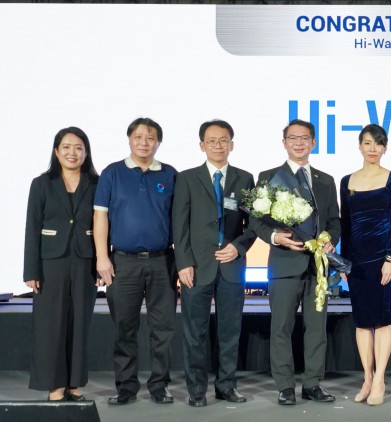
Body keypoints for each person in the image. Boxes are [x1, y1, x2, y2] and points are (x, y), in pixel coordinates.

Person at [249, 119, 341, 405]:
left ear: (313, 143)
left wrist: (329, 239)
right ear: (284, 142)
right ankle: (285, 387)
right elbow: (256, 221)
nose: (299, 143)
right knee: (281, 328)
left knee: (316, 329)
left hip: (317, 267)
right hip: (284, 264)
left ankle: (313, 384)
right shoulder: (269, 177)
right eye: (293, 138)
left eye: (304, 138)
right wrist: (275, 237)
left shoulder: (326, 180)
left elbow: (335, 220)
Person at [93, 117, 179, 405]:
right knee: (124, 328)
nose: (144, 143)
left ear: (158, 142)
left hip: (162, 261)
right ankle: (126, 387)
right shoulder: (112, 173)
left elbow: (179, 221)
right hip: (122, 262)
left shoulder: (169, 174)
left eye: (150, 138)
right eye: (139, 137)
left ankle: (160, 386)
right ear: (129, 139)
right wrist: (102, 257)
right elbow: (100, 216)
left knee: (163, 329)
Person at [172, 120, 256, 407]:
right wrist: (183, 262)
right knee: (194, 332)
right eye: (212, 141)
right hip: (195, 267)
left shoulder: (245, 179)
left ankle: (226, 386)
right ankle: (196, 390)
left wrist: (238, 247)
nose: (218, 146)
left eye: (223, 140)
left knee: (229, 331)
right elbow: (179, 225)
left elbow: (253, 224)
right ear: (202, 145)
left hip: (232, 266)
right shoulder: (187, 179)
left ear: (232, 144)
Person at [23, 127, 100, 401]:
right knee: (50, 326)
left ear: (86, 152)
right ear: (56, 152)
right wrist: (31, 270)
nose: (72, 152)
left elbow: (104, 225)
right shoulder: (42, 183)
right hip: (50, 263)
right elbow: (32, 227)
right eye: (66, 147)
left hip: (85, 261)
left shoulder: (97, 183)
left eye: (78, 147)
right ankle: (54, 386)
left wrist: (101, 264)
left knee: (79, 324)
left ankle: (74, 384)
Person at [339, 124, 391, 406]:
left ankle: (380, 381)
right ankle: (367, 378)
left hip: (383, 259)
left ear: (385, 147)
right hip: (357, 262)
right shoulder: (347, 181)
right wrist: (343, 262)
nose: (373, 148)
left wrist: (390, 258)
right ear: (360, 146)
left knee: (384, 319)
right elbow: (345, 224)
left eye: (378, 143)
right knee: (363, 321)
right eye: (367, 143)